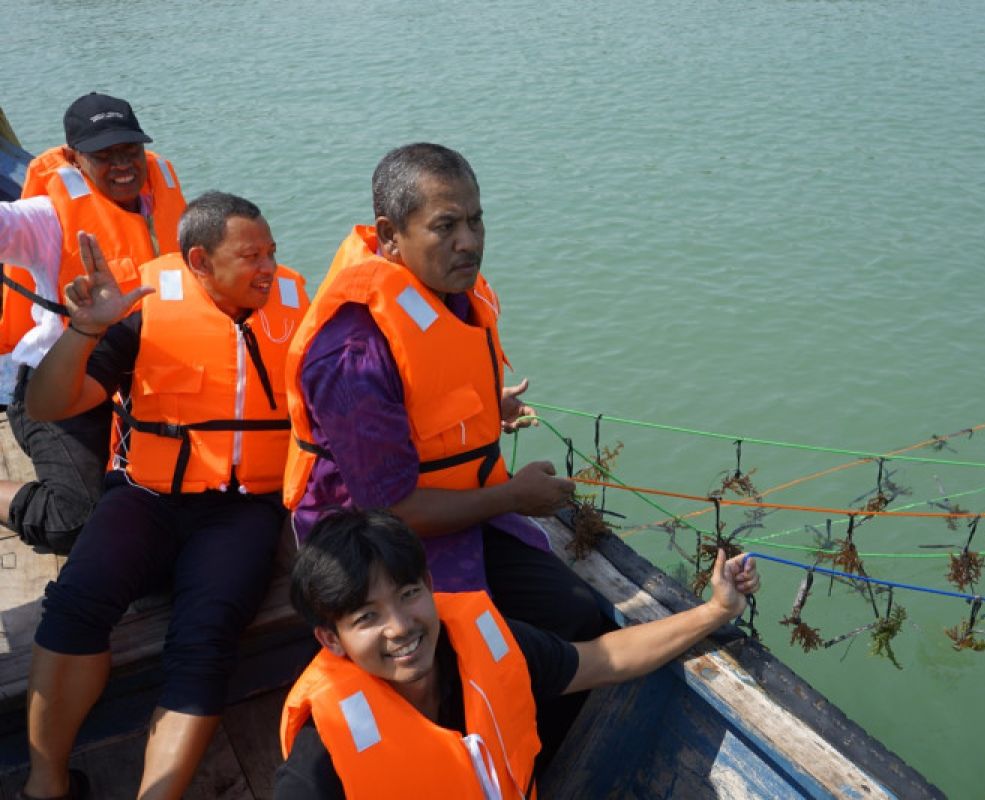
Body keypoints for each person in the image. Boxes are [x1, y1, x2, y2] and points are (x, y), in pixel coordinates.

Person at [281, 143, 610, 766]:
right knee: (454, 664)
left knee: (578, 614)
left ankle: (533, 762)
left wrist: (491, 407)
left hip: (460, 510)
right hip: (379, 541)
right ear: (389, 235)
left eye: (476, 220)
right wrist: (517, 497)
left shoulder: (443, 289)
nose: (469, 242)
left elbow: (432, 393)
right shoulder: (352, 353)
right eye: (445, 226)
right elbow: (394, 510)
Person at [18, 192, 308, 800]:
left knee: (205, 642)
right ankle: (46, 786)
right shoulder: (143, 310)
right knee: (75, 605)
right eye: (251, 255)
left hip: (241, 511)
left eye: (272, 253)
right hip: (145, 496)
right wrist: (85, 329)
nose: (269, 268)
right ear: (199, 261)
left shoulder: (297, 307)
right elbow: (47, 406)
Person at [275, 508, 760, 799]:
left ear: (429, 586)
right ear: (331, 640)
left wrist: (715, 611)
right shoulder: (320, 762)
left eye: (407, 595)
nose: (400, 628)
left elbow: (604, 659)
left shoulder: (483, 648)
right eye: (366, 618)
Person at [0, 91, 186, 553]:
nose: (123, 165)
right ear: (73, 159)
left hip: (139, 378)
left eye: (130, 150)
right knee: (78, 524)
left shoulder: (161, 195)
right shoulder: (45, 218)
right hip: (59, 387)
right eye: (104, 155)